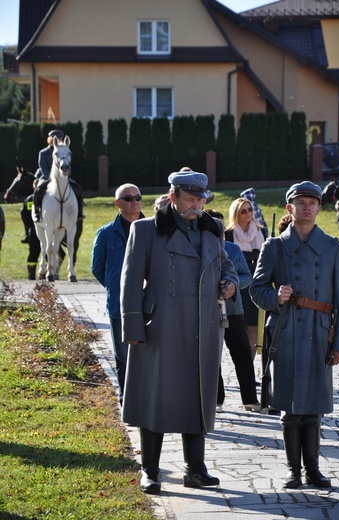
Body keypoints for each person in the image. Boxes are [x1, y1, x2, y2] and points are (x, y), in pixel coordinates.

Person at [120, 171, 239, 494]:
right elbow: (130, 282)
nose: (196, 205)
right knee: (155, 399)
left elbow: (226, 266)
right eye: (190, 199)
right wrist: (133, 326)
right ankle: (151, 470)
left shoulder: (212, 228)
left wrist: (230, 285)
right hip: (160, 326)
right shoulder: (145, 229)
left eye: (201, 199)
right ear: (172, 197)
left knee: (197, 396)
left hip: (203, 325)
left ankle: (195, 469)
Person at [250, 181, 339, 489]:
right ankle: (294, 470)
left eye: (312, 202)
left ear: (319, 208)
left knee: (314, 407)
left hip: (319, 336)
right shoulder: (274, 247)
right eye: (300, 202)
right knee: (291, 408)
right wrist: (275, 296)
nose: (307, 207)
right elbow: (256, 289)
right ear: (289, 208)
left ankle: (313, 470)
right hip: (286, 333)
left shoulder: (333, 247)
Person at [91, 184, 144, 406]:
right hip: (119, 305)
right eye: (128, 198)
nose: (134, 201)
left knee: (149, 356)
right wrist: (117, 288)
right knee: (123, 356)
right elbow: (97, 268)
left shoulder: (153, 228)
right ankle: (127, 400)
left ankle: (149, 399)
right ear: (118, 203)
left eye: (137, 197)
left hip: (150, 303)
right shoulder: (106, 234)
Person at [205, 209, 260, 413]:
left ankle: (250, 399)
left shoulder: (234, 250)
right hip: (209, 312)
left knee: (243, 355)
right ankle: (216, 399)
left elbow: (247, 276)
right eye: (213, 226)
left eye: (221, 227)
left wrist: (233, 285)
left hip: (234, 310)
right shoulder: (200, 249)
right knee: (213, 356)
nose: (218, 231)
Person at [225, 197, 265, 359]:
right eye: (243, 210)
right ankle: (242, 363)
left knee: (254, 326)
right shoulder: (229, 234)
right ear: (236, 213)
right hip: (238, 283)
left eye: (250, 210)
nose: (248, 213)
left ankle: (250, 363)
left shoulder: (260, 231)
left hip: (257, 281)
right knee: (240, 327)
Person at [33, 129, 84, 222]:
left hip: (63, 178)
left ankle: (79, 211)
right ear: (50, 139)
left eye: (59, 138)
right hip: (47, 177)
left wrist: (66, 176)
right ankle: (37, 212)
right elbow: (42, 166)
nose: (57, 139)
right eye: (54, 138)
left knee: (77, 188)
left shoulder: (64, 151)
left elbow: (68, 165)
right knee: (38, 190)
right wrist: (51, 177)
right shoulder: (43, 152)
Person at [21, 179, 41, 280]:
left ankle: (31, 276)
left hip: (32, 231)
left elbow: (23, 214)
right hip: (44, 231)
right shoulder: (45, 199)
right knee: (46, 254)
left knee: (33, 253)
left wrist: (28, 226)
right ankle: (44, 276)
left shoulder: (28, 199)